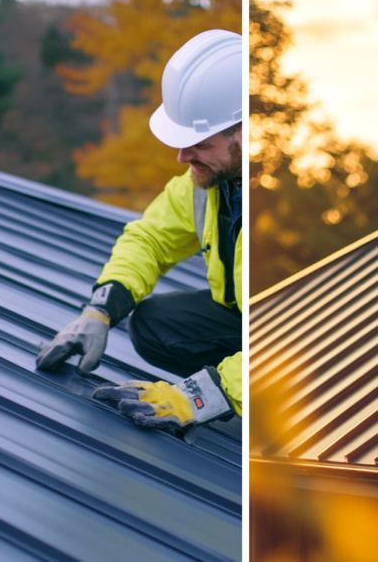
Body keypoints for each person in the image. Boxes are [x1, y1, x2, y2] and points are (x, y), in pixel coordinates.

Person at [37, 30, 242, 434]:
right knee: (154, 326)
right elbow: (149, 238)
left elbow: (306, 334)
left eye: (198, 141)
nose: (182, 156)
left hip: (311, 346)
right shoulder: (210, 184)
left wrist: (203, 395)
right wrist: (100, 309)